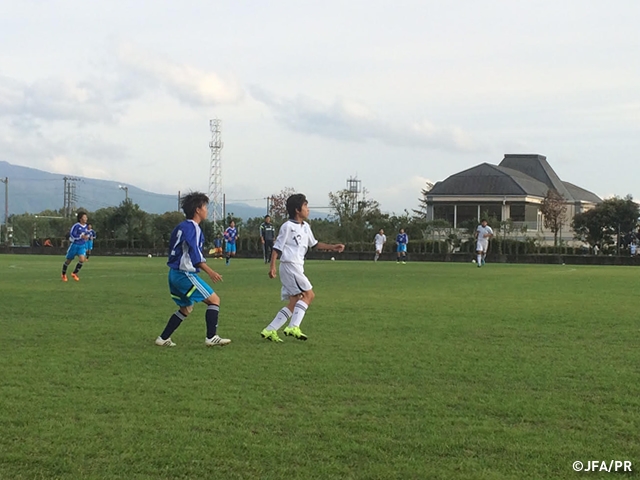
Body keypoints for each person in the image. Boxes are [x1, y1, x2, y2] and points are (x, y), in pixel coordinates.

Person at [261, 193, 344, 342]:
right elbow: (277, 248)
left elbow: (315, 244)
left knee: (294, 301)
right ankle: (293, 327)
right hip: (290, 266)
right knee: (309, 295)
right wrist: (272, 266)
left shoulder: (306, 227)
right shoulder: (287, 226)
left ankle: (270, 330)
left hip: (297, 267)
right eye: (305, 206)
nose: (308, 209)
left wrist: (333, 247)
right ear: (297, 210)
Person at [155, 192, 231, 348]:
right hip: (185, 274)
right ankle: (211, 337)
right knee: (214, 300)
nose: (206, 211)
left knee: (186, 308)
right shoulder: (193, 228)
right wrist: (211, 272)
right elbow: (195, 255)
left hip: (174, 274)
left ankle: (163, 338)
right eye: (205, 207)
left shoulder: (180, 227)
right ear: (198, 209)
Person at [61, 211, 90, 282]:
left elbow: (87, 234)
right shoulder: (76, 226)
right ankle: (63, 274)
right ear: (80, 218)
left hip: (82, 245)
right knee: (68, 261)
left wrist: (86, 236)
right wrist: (80, 236)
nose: (86, 218)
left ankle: (74, 273)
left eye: (86, 217)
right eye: (84, 217)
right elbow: (72, 234)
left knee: (82, 259)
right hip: (74, 245)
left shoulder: (86, 226)